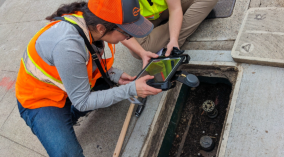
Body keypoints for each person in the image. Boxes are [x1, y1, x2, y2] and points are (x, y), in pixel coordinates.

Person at [15, 0, 162, 156]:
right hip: (39, 98)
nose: (128, 38)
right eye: (126, 33)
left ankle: (66, 118)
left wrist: (113, 74)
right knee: (68, 153)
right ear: (101, 28)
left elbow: (88, 61)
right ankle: (61, 119)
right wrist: (131, 89)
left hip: (65, 86)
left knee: (106, 84)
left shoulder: (89, 21)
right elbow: (82, 101)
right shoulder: (68, 46)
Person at [121, 0, 218, 68]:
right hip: (141, 20)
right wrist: (141, 53)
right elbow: (118, 32)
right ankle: (186, 21)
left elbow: (175, 9)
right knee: (138, 49)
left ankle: (170, 43)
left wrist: (174, 39)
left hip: (167, 7)